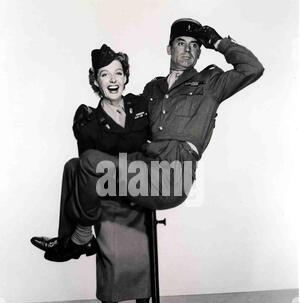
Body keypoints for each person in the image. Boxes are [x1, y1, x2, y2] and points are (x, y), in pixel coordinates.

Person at [34, 18, 263, 261]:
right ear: (169, 49)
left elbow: (253, 69)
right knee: (75, 167)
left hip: (173, 177)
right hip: (143, 169)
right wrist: (96, 117)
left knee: (90, 161)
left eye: (195, 45)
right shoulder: (152, 89)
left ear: (200, 51)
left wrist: (218, 42)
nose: (188, 49)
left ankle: (81, 237)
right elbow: (127, 125)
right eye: (181, 43)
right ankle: (67, 242)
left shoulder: (211, 83)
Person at [32, 44, 152, 303]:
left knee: (144, 269)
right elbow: (92, 169)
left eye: (118, 72)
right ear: (95, 80)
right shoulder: (87, 119)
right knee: (112, 270)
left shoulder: (142, 106)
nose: (112, 79)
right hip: (110, 203)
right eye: (104, 74)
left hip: (141, 200)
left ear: (126, 76)